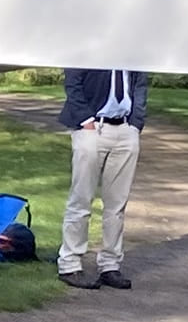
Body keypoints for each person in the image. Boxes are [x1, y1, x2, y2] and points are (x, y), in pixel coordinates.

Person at [54, 63, 146, 289]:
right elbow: (73, 81)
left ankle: (110, 264)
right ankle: (70, 263)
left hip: (125, 129)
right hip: (93, 127)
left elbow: (141, 84)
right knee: (81, 198)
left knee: (117, 203)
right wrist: (86, 120)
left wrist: (135, 124)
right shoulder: (90, 43)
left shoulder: (135, 47)